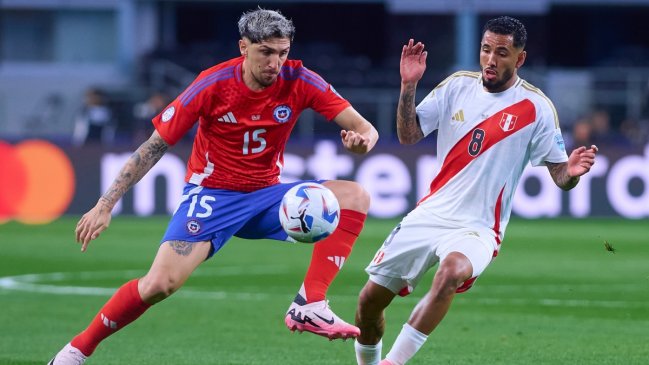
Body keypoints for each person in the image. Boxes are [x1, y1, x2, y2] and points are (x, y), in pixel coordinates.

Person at [48, 8, 378, 365]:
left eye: (282, 52)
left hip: (267, 197)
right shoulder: (213, 84)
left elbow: (366, 128)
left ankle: (310, 303)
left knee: (354, 195)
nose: (275, 62)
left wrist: (362, 141)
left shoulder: (300, 80)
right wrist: (105, 204)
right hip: (212, 197)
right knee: (159, 285)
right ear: (243, 47)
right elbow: (153, 147)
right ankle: (76, 350)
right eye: (265, 52)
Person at [354, 16, 598, 365]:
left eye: (502, 52)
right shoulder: (456, 87)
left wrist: (571, 173)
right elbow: (409, 135)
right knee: (368, 303)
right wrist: (409, 85)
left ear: (520, 58)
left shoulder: (536, 107)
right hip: (431, 213)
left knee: (451, 272)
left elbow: (560, 174)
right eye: (486, 50)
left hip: (480, 227)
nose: (491, 60)